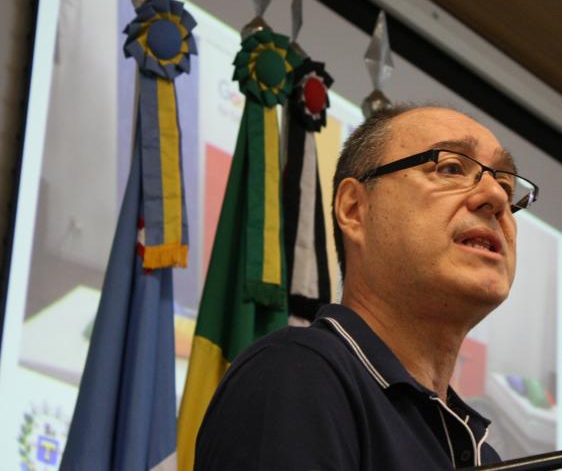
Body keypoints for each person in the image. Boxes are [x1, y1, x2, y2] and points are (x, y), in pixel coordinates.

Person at [195, 105, 539, 470]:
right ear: (354, 208)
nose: (497, 197)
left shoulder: (482, 454)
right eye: (451, 168)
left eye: (506, 186)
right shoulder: (296, 373)